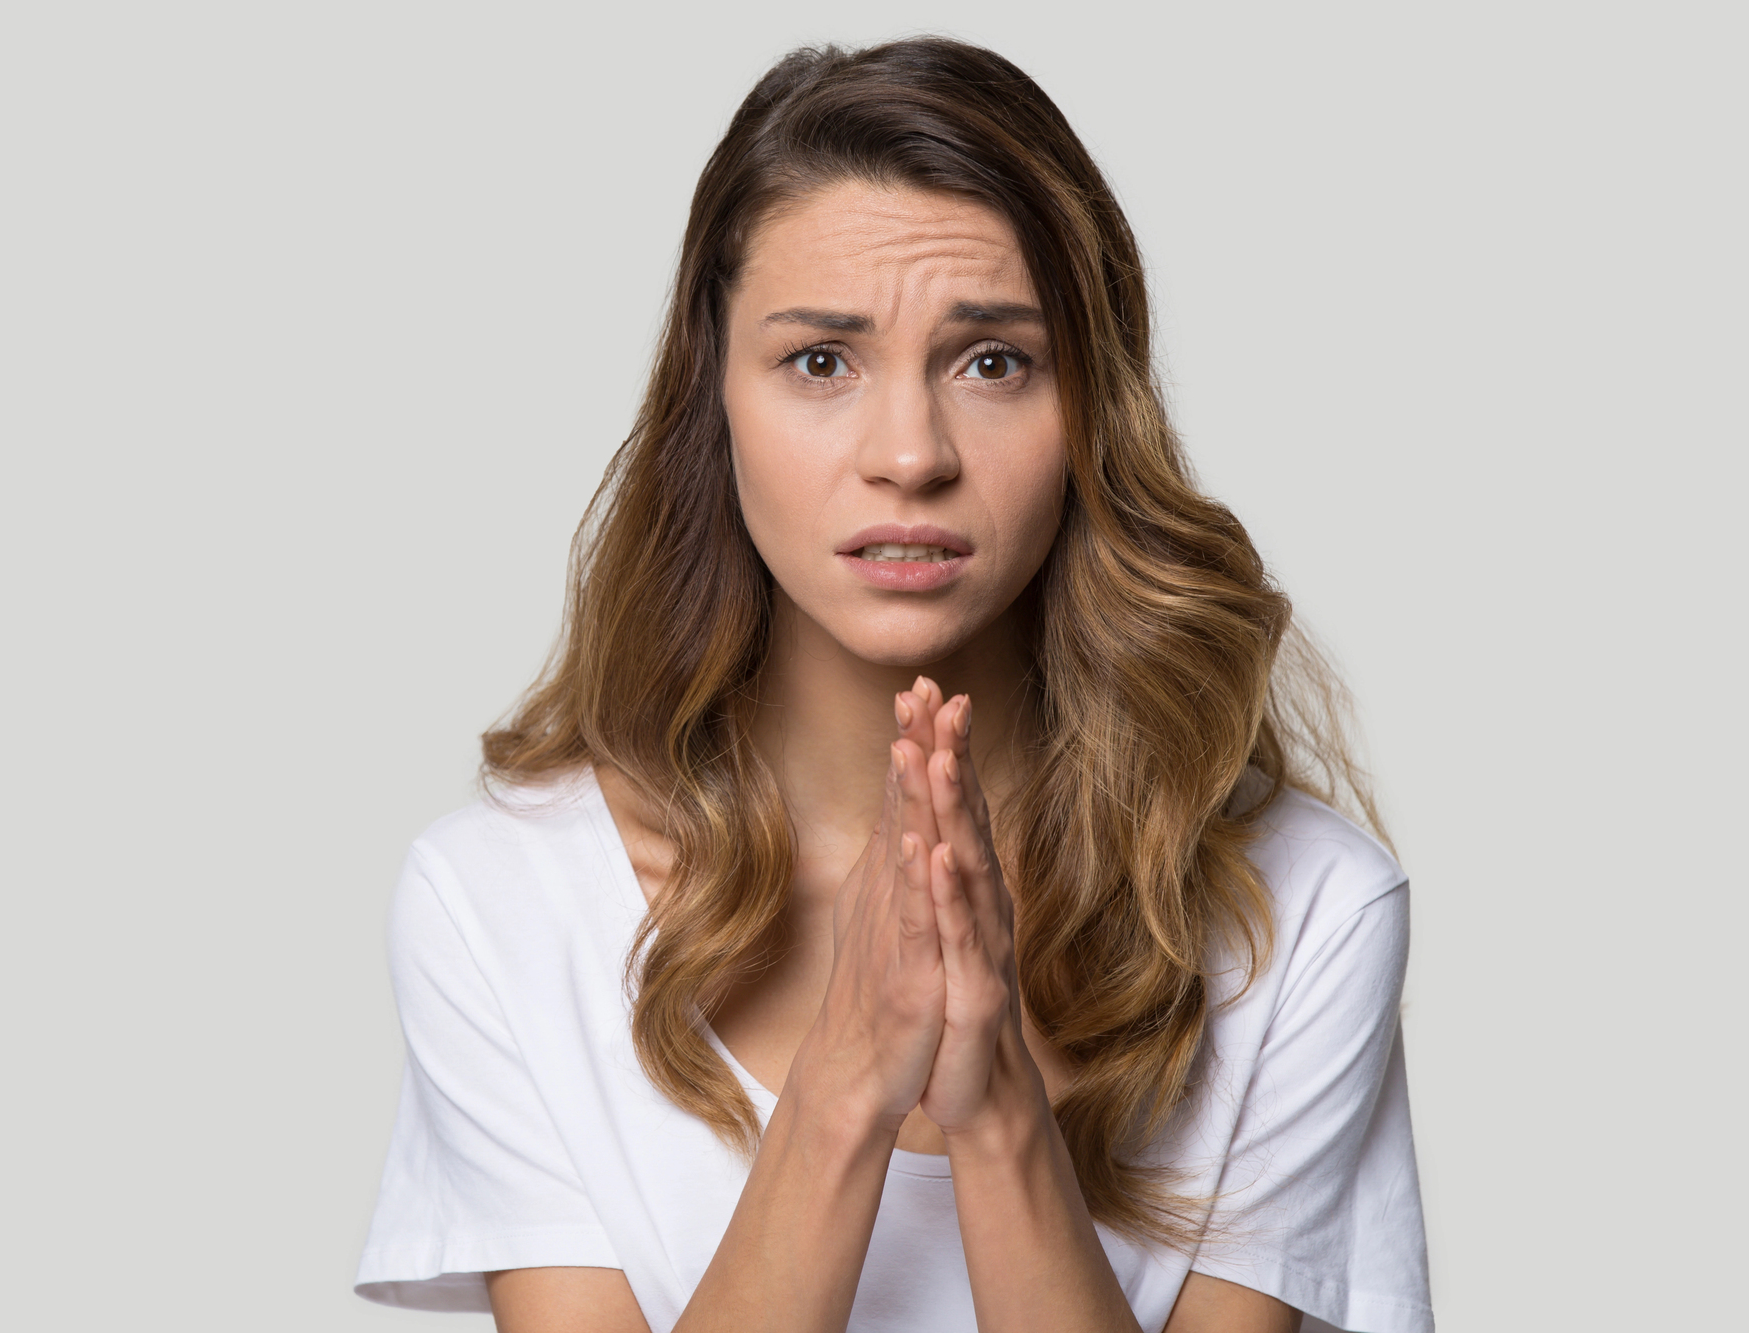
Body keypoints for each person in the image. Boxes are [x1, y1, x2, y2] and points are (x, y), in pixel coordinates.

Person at [353, 37, 1433, 1333]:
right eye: (822, 360)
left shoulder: (1303, 915)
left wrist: (996, 1117)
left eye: (993, 361)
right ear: (717, 404)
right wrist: (844, 1089)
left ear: (1093, 409)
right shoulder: (505, 901)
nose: (910, 454)